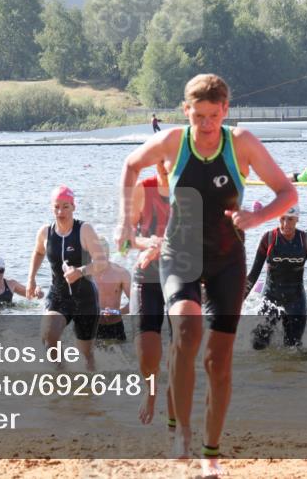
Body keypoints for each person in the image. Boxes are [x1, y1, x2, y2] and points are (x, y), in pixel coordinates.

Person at [117, 73, 298, 472]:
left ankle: (211, 454)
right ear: (186, 111)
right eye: (197, 116)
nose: (205, 125)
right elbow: (131, 166)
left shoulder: (242, 143)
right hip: (179, 254)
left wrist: (257, 217)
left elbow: (288, 192)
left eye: (213, 116)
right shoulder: (173, 142)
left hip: (227, 259)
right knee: (186, 328)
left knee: (218, 362)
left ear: (226, 111)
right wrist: (126, 226)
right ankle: (181, 432)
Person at [26, 185, 108, 371]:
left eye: (65, 206)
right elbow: (38, 252)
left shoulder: (84, 229)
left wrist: (80, 271)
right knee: (49, 335)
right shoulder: (46, 232)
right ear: (51, 207)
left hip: (85, 298)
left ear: (73, 207)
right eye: (56, 207)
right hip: (59, 294)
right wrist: (31, 279)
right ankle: (61, 375)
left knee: (86, 356)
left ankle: (90, 391)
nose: (60, 211)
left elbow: (102, 262)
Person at [244, 205, 307, 349]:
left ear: (297, 219)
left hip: (296, 300)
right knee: (258, 346)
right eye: (282, 219)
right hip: (270, 299)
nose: (286, 224)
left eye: (290, 219)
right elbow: (253, 274)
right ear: (277, 218)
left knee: (292, 349)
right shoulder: (268, 238)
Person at [128, 161, 176, 426]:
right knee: (146, 352)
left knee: (180, 350)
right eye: (163, 160)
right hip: (146, 275)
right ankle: (151, 389)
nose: (168, 166)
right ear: (157, 162)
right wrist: (149, 243)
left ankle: (173, 413)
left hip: (181, 277)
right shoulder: (142, 190)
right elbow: (124, 236)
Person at [93, 250, 132, 343]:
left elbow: (136, 301)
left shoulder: (122, 273)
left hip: (115, 325)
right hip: (91, 326)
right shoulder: (85, 275)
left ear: (108, 254)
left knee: (121, 356)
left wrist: (119, 312)